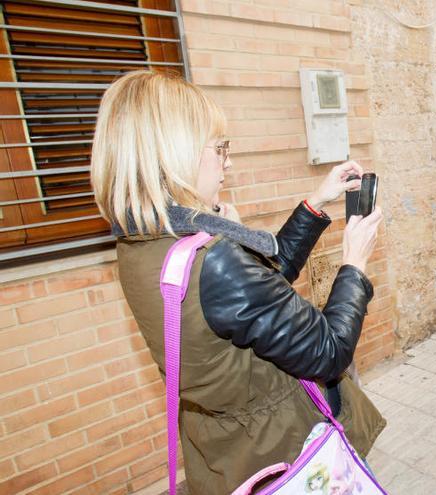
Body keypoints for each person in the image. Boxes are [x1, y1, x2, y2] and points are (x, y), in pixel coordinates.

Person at [90, 71, 386, 494]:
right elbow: (328, 352)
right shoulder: (213, 260)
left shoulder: (142, 242)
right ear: (176, 153)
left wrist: (314, 204)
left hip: (225, 447)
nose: (227, 161)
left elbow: (256, 295)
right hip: (280, 447)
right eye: (219, 148)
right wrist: (354, 263)